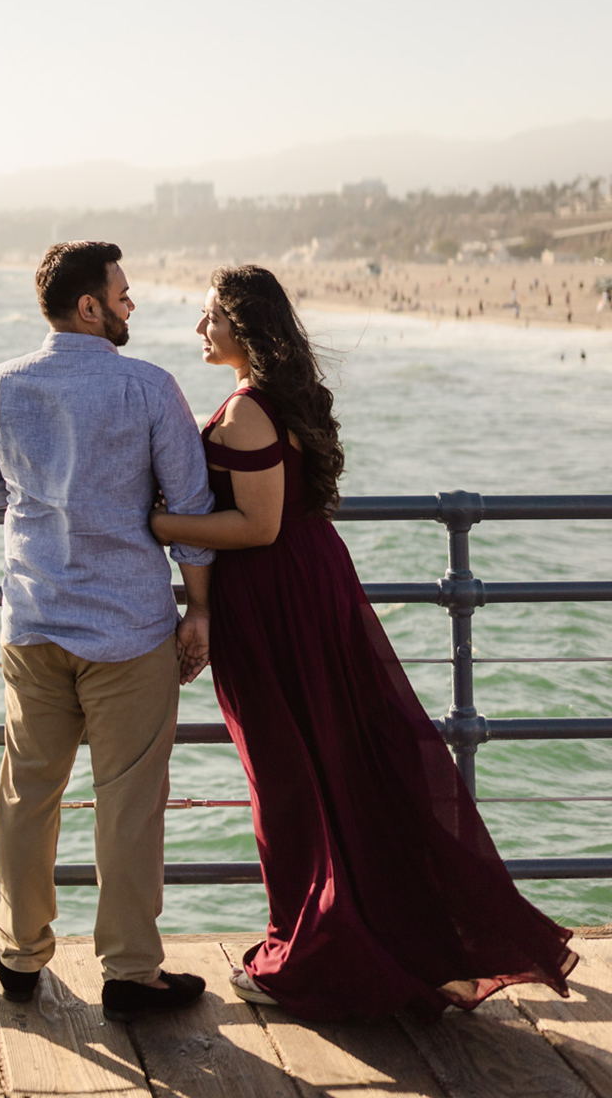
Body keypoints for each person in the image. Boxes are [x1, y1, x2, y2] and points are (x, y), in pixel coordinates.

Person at [149, 263, 576, 1019]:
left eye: (210, 315)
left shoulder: (249, 409)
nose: (199, 328)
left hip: (277, 602)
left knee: (285, 779)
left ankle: (308, 952)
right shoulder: (278, 397)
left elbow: (259, 525)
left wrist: (156, 525)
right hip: (308, 592)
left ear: (243, 327)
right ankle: (375, 937)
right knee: (334, 765)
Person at [0, 240, 217, 1021]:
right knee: (130, 804)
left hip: (35, 622)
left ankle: (17, 956)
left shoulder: (0, 387)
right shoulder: (149, 389)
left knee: (27, 793)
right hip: (130, 630)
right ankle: (130, 973)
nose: (131, 303)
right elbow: (192, 515)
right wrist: (199, 609)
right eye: (122, 293)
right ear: (89, 307)